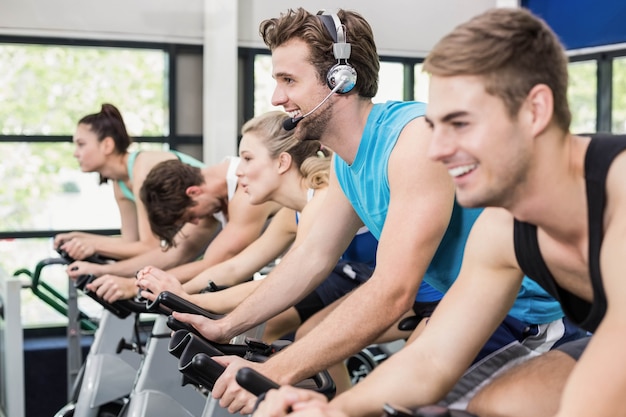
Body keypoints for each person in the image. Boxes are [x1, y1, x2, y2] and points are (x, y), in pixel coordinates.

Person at [171, 7, 581, 415]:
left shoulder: (412, 141)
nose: (277, 98)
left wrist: (279, 370)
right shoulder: (348, 164)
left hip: (520, 317)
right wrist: (224, 326)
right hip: (469, 312)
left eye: (289, 81)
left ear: (341, 80)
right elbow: (309, 259)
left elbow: (392, 291)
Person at [70, 154, 280, 302]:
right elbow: (173, 255)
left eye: (190, 217)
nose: (195, 223)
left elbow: (217, 264)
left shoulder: (244, 191)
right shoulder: (214, 198)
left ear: (193, 192)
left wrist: (134, 286)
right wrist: (103, 271)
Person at [54, 103, 205, 261]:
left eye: (81, 144)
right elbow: (130, 242)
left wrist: (94, 245)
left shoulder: (142, 169)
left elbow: (150, 247)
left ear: (107, 145)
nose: (75, 154)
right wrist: (81, 238)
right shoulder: (119, 183)